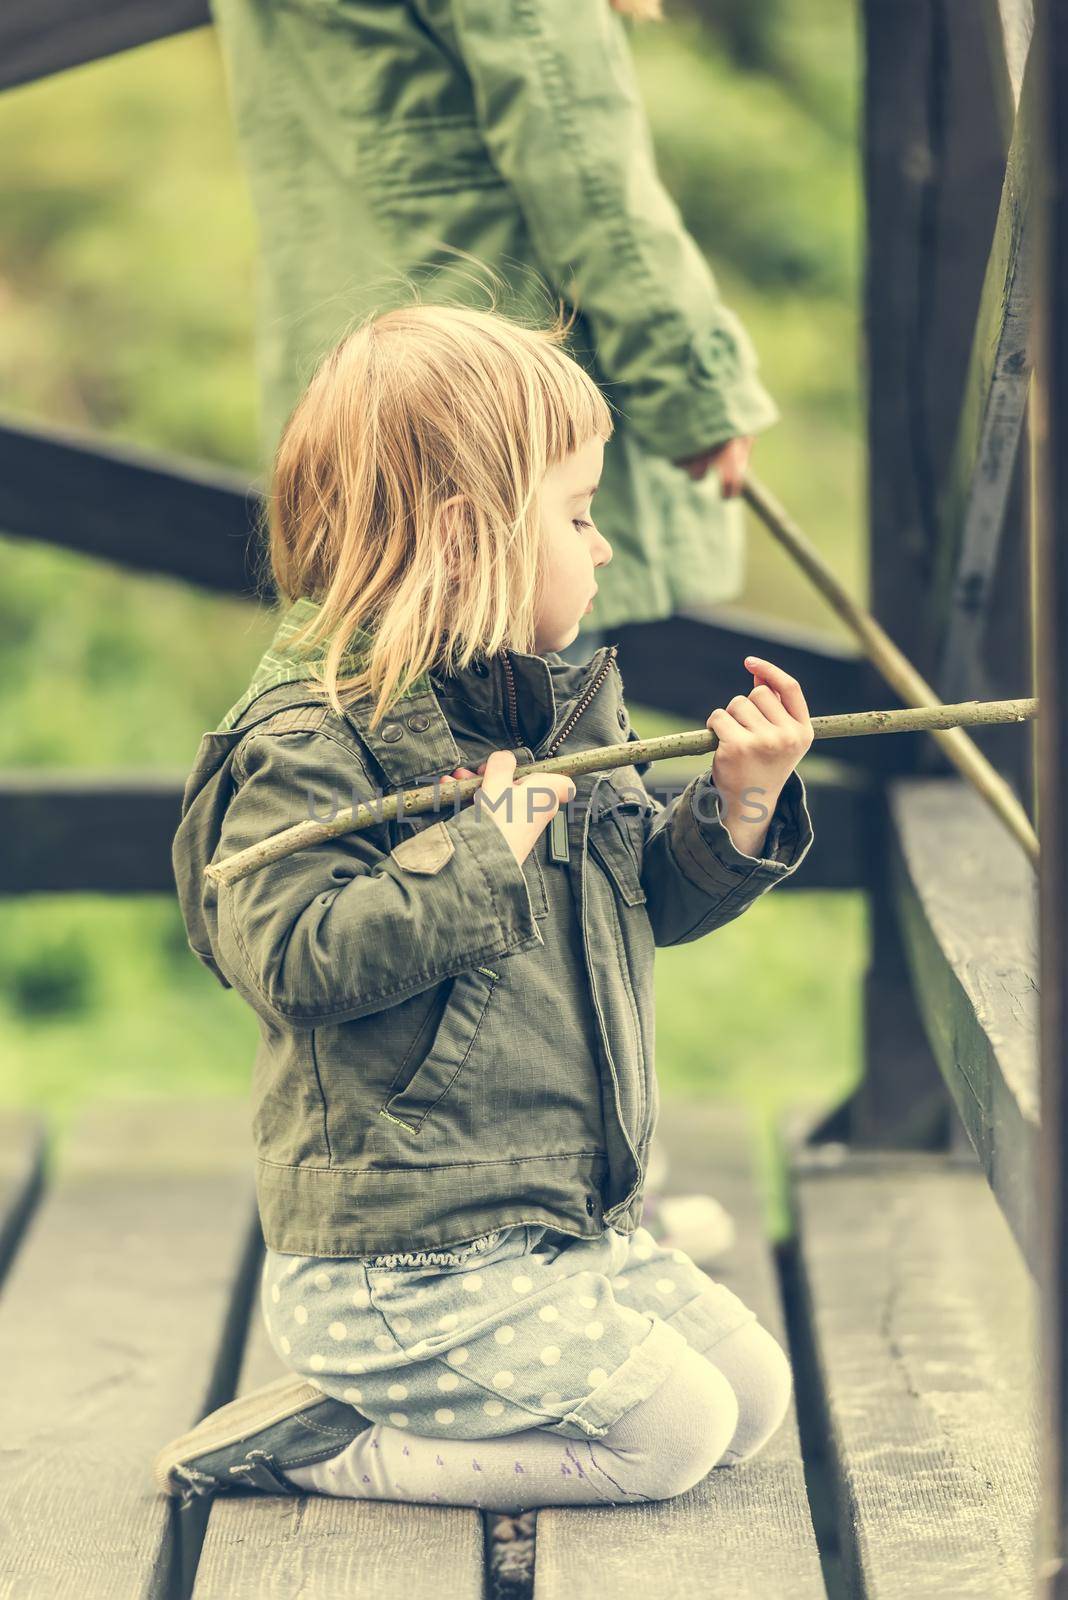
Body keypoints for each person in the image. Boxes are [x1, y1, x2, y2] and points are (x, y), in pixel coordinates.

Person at [156, 303, 814, 1512]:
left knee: (754, 1402)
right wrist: (476, 855)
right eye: (577, 515)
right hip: (404, 1259)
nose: (602, 546)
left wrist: (738, 807)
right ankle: (322, 1446)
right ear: (471, 539)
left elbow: (641, 904)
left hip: (558, 1221)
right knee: (669, 1439)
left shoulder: (558, 711)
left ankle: (440, 1394)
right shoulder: (309, 741)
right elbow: (287, 956)